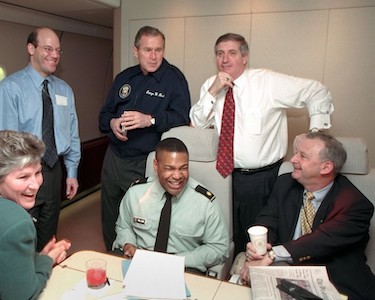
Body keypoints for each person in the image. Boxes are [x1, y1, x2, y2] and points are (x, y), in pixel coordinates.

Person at [189, 33, 334, 255]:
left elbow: (317, 90)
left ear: (245, 57)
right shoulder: (211, 84)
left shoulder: (266, 82)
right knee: (225, 233)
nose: (225, 59)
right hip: (223, 175)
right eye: (220, 54)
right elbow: (197, 124)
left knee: (258, 236)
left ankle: (256, 273)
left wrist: (315, 134)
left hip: (261, 178)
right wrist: (213, 91)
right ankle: (230, 277)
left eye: (232, 53)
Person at [239, 132, 375, 299]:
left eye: (302, 156)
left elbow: (321, 240)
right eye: (296, 153)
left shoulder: (355, 204)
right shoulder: (285, 184)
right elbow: (268, 220)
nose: (293, 160)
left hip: (336, 280)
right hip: (286, 272)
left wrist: (272, 255)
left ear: (326, 167)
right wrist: (259, 248)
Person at [99, 26, 191, 251]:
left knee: (140, 218)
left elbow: (182, 118)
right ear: (135, 50)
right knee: (110, 213)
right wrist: (112, 123)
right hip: (114, 157)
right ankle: (112, 254)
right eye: (147, 50)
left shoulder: (174, 79)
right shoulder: (125, 77)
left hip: (145, 159)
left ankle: (138, 263)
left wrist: (149, 120)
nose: (153, 56)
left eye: (158, 50)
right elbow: (103, 116)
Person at [0, 27, 81, 251]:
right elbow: (6, 144)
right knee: (21, 236)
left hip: (54, 171)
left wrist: (71, 172)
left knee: (48, 237)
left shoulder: (65, 90)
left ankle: (45, 273)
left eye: (58, 50)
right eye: (47, 48)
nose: (54, 55)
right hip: (23, 173)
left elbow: (72, 134)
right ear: (31, 49)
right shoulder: (10, 88)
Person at [113, 137, 229, 273]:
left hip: (183, 267)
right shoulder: (135, 193)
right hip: (140, 262)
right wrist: (128, 243)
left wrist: (178, 260)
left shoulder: (205, 203)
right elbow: (124, 226)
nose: (177, 176)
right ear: (156, 166)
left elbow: (219, 247)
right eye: (169, 168)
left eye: (183, 168)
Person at [0, 130, 71, 300]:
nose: (35, 185)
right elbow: (24, 296)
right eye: (23, 177)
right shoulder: (17, 223)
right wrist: (47, 261)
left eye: (38, 173)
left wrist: (35, 259)